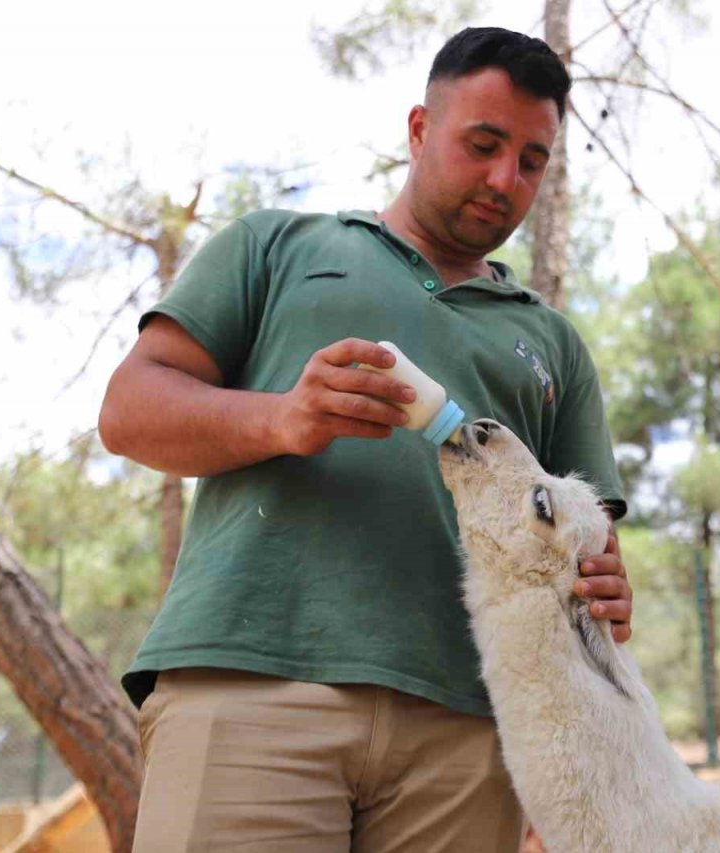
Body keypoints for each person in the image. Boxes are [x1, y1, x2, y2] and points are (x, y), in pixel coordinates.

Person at [99, 26, 632, 853]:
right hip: (252, 686)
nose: (505, 180)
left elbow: (587, 546)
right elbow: (129, 411)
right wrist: (284, 418)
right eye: (484, 144)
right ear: (419, 129)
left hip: (470, 729)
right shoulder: (279, 246)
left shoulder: (554, 342)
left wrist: (600, 589)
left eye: (531, 161)